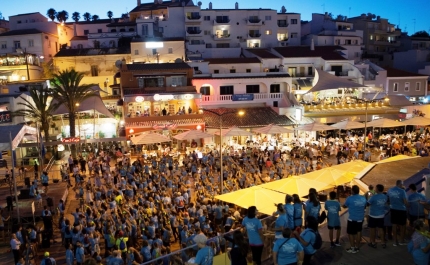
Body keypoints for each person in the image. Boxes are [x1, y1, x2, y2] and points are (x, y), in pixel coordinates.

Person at [343, 185, 366, 253]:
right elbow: (364, 206)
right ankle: (357, 247)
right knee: (358, 232)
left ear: (352, 191)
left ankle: (352, 248)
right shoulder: (363, 198)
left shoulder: (349, 198)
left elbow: (344, 206)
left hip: (352, 219)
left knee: (351, 233)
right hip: (360, 218)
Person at [387, 180, 408, 246]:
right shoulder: (402, 191)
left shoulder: (390, 190)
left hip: (393, 209)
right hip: (401, 210)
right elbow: (405, 202)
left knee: (394, 225)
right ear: (400, 184)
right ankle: (401, 240)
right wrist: (409, 205)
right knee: (402, 226)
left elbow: (388, 199)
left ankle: (395, 241)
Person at [367, 184, 388, 249]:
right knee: (381, 229)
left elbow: (368, 204)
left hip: (373, 215)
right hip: (381, 215)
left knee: (372, 230)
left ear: (378, 189)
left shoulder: (373, 197)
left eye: (376, 188)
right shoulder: (385, 196)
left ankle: (373, 242)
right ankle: (383, 242)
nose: (375, 189)